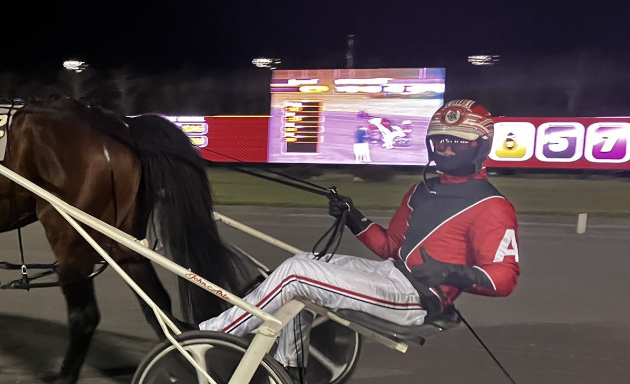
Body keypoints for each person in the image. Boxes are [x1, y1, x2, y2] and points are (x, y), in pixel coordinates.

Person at [199, 99, 521, 370]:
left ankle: (208, 338)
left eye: (458, 141)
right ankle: (288, 370)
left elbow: (504, 278)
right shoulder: (420, 190)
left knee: (296, 275)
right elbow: (391, 247)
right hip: (391, 275)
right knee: (302, 264)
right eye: (440, 140)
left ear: (480, 145)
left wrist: (452, 273)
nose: (447, 148)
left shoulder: (492, 206)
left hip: (416, 299)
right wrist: (355, 219)